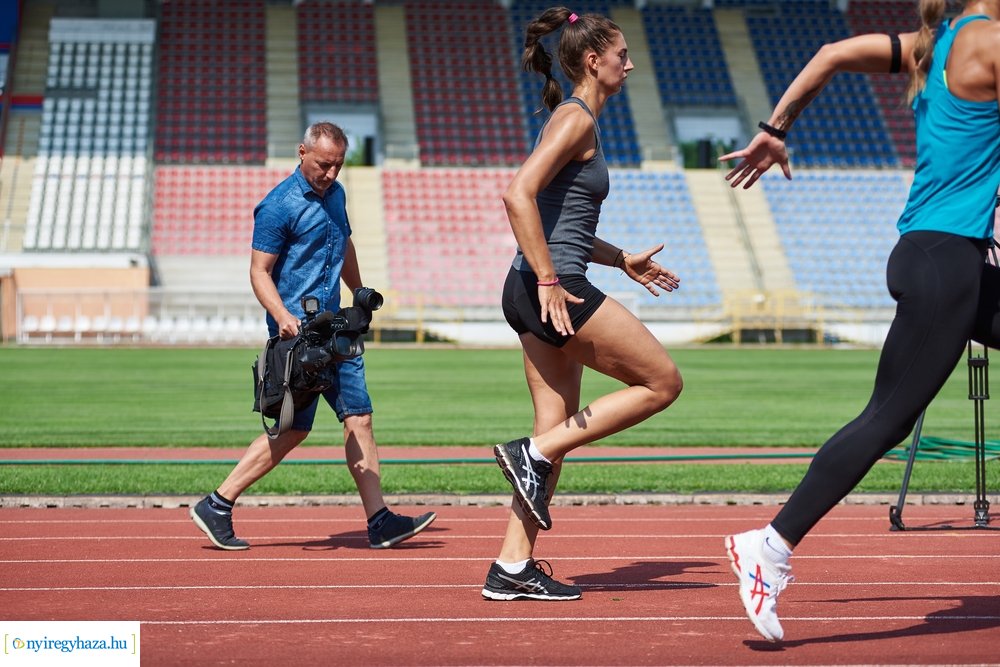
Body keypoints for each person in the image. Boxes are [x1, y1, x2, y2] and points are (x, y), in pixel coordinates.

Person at [719, 0, 1000, 642]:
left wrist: (776, 127)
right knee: (887, 418)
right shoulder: (989, 41)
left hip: (934, 256)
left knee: (887, 414)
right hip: (945, 266)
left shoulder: (936, 41)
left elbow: (831, 54)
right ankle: (771, 544)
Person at [482, 7, 684, 602]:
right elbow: (515, 193)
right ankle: (530, 452)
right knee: (663, 382)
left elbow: (554, 220)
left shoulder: (574, 119)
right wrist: (549, 280)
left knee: (555, 432)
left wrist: (622, 259)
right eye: (622, 54)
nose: (630, 63)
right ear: (594, 60)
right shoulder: (576, 121)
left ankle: (512, 566)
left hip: (532, 287)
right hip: (552, 291)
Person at [190, 122, 436, 551]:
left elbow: (345, 243)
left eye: (338, 165)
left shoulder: (337, 195)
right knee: (292, 429)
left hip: (337, 329)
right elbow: (258, 272)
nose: (331, 173)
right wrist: (281, 315)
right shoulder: (276, 206)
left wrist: (358, 292)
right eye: (324, 164)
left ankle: (380, 521)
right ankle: (217, 502)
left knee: (358, 415)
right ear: (302, 152)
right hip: (297, 338)